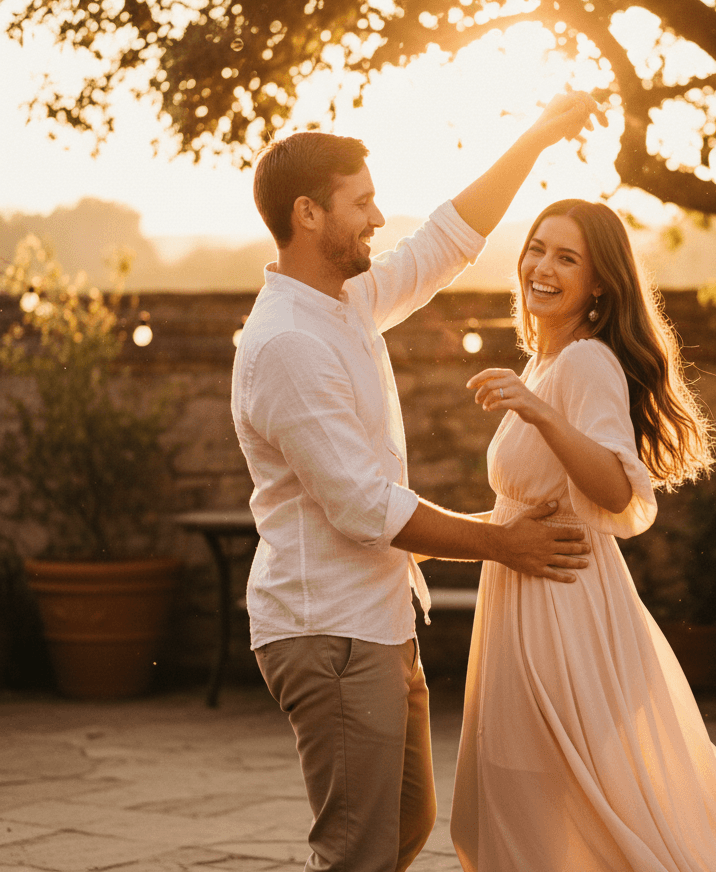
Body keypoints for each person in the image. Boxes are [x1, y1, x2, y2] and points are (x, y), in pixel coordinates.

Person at [230, 93, 605, 872]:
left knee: (405, 824)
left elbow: (447, 239)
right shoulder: (288, 343)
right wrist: (506, 544)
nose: (376, 215)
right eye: (360, 201)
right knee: (358, 852)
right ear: (308, 214)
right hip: (327, 630)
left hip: (378, 618)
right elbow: (365, 506)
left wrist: (533, 138)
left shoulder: (346, 300)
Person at [450, 199, 716, 872]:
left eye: (566, 257)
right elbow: (524, 508)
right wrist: (418, 533)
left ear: (600, 282)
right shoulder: (547, 364)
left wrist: (540, 413)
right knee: (526, 796)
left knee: (541, 795)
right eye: (537, 248)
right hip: (520, 600)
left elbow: (616, 488)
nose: (542, 266)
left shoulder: (584, 365)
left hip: (561, 609)